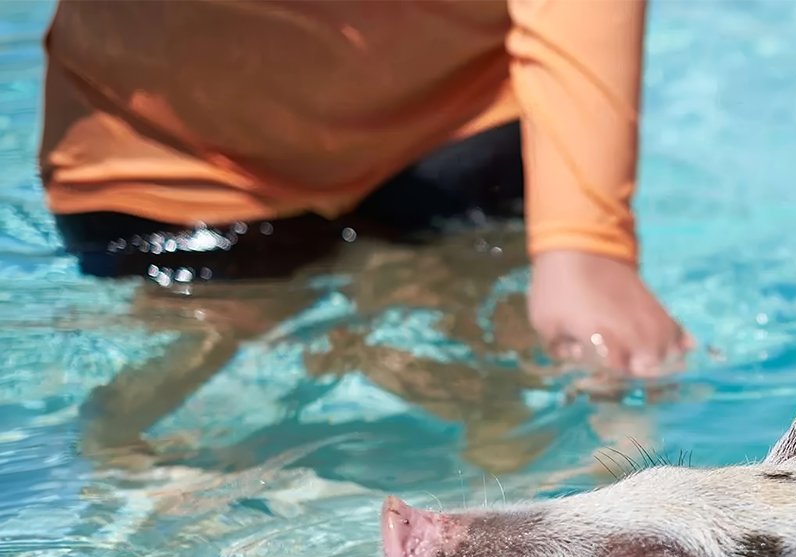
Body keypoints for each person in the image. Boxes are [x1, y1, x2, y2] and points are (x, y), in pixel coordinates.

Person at [39, 0, 689, 378]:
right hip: (170, 166)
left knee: (484, 388)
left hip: (451, 121)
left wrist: (583, 240)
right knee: (165, 425)